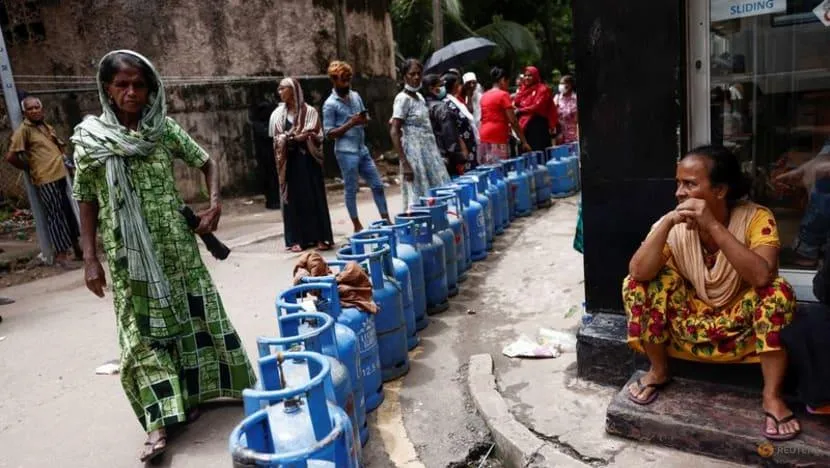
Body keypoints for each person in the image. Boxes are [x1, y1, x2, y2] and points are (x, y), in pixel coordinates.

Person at [70, 50, 256, 462]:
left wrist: (214, 204)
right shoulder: (91, 140)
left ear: (150, 89)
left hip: (176, 246)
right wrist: (89, 257)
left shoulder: (162, 129)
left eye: (139, 85)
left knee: (191, 318)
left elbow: (207, 163)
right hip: (127, 255)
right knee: (141, 335)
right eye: (122, 85)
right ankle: (157, 421)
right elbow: (85, 198)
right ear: (107, 89)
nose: (131, 92)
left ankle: (191, 396)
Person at [623, 145, 799, 441]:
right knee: (638, 285)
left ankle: (771, 396)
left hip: (741, 324)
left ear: (719, 190)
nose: (679, 193)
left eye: (689, 184)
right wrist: (667, 223)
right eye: (678, 183)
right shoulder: (674, 223)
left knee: (777, 292)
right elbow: (638, 272)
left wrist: (713, 226)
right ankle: (658, 370)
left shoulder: (757, 218)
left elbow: (762, 276)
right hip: (691, 322)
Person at [6, 96, 82, 263]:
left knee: (68, 212)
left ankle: (77, 249)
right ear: (25, 112)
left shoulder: (46, 127)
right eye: (30, 108)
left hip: (61, 174)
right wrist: (30, 167)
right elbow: (11, 156)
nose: (34, 110)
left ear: (41, 109)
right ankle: (61, 255)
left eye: (36, 107)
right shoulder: (24, 130)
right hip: (46, 178)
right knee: (55, 215)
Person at [322, 61, 390, 233]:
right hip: (345, 152)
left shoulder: (355, 96)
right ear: (334, 80)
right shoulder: (330, 104)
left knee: (377, 185)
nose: (347, 83)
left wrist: (364, 119)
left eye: (349, 79)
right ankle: (356, 225)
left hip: (362, 149)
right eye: (343, 80)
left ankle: (386, 219)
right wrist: (351, 123)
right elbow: (329, 134)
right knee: (351, 189)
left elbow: (365, 118)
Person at [270, 77, 334, 252]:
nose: (280, 92)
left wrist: (304, 137)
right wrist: (287, 139)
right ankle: (296, 240)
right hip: (290, 163)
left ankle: (321, 237)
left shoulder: (310, 112)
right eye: (279, 89)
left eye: (283, 88)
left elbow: (318, 135)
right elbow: (276, 138)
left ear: (293, 90)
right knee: (293, 200)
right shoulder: (278, 115)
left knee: (314, 197)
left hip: (308, 162)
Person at [389, 59, 451, 209]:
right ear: (404, 76)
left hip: (429, 152)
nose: (416, 77)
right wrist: (405, 163)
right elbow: (394, 131)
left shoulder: (420, 98)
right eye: (412, 74)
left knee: (439, 189)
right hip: (414, 156)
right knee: (420, 195)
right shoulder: (402, 99)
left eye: (419, 74)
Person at [478, 67, 530, 165]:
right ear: (502, 80)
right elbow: (513, 121)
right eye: (507, 82)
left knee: (489, 169)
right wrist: (524, 141)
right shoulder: (503, 95)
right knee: (500, 169)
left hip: (484, 136)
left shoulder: (484, 95)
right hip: (497, 137)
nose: (507, 86)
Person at [422, 74, 466, 177]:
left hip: (430, 156)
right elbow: (449, 134)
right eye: (441, 85)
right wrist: (458, 158)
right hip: (446, 157)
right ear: (432, 88)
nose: (443, 88)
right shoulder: (441, 108)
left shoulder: (422, 106)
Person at [443, 72, 479, 173]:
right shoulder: (448, 104)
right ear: (455, 85)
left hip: (469, 144)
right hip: (463, 147)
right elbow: (454, 128)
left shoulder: (456, 101)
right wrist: (462, 147)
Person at [514, 66, 553, 151]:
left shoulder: (542, 89)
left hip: (538, 127)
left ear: (535, 76)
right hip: (524, 127)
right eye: (525, 75)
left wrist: (521, 110)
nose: (527, 78)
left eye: (530, 75)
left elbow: (537, 107)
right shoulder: (523, 90)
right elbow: (516, 102)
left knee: (539, 152)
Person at [249, 101, 280, 210]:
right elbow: (268, 134)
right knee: (269, 180)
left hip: (271, 156)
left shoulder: (265, 123)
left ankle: (275, 200)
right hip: (265, 157)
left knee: (274, 179)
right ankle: (272, 201)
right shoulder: (258, 125)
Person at [554, 75, 578, 145]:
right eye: (560, 83)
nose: (561, 86)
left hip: (574, 137)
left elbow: (577, 121)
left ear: (570, 85)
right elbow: (553, 117)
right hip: (560, 138)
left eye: (563, 83)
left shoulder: (576, 99)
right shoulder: (557, 98)